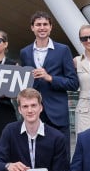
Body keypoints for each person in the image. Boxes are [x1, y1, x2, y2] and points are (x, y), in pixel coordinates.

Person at [19, 12, 79, 140]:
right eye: (38, 24)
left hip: (58, 114)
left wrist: (50, 78)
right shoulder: (25, 52)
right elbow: (26, 85)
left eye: (45, 24)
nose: (42, 28)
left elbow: (73, 83)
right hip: (34, 115)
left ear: (51, 27)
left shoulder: (63, 50)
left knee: (61, 157)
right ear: (32, 28)